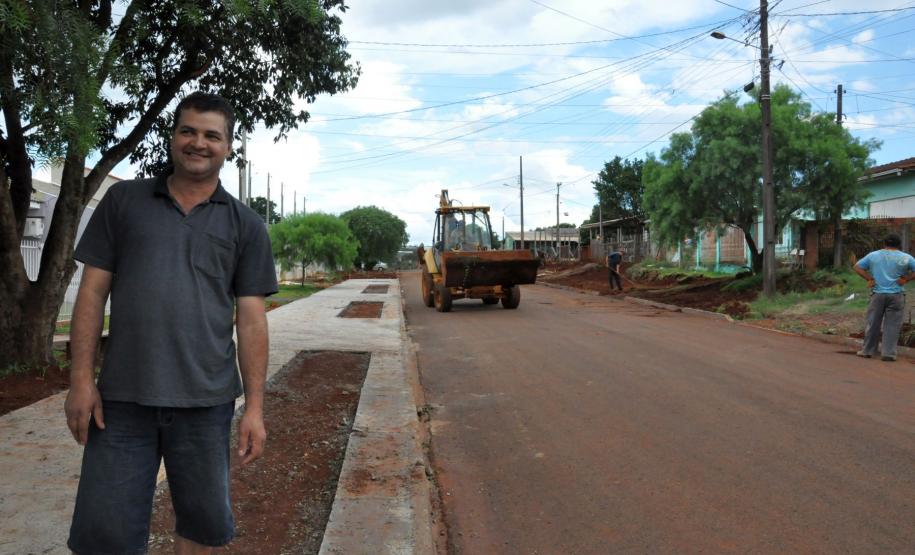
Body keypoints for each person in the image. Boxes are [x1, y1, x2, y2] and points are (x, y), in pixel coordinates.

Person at [64, 92, 278, 554]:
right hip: (121, 401)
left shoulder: (245, 225)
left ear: (228, 147)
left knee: (201, 527)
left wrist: (255, 409)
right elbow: (92, 293)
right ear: (173, 137)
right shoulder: (124, 201)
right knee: (106, 534)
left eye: (211, 135)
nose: (198, 142)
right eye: (188, 131)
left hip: (206, 403)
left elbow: (251, 321)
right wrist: (80, 380)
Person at [853, 233, 915, 362]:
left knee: (873, 323)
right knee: (892, 325)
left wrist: (869, 278)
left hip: (877, 294)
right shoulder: (906, 258)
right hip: (896, 295)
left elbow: (857, 267)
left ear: (884, 243)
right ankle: (888, 354)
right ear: (899, 245)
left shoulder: (873, 255)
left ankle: (867, 351)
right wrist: (906, 279)